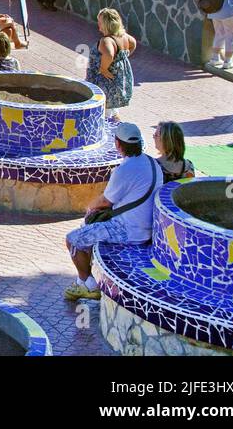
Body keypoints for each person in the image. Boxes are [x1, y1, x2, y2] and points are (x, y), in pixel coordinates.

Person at [63, 122, 160, 301]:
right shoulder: (152, 163)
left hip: (128, 230)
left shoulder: (125, 169)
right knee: (87, 231)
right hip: (146, 228)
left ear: (118, 144)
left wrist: (89, 209)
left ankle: (87, 284)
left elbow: (105, 201)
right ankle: (83, 281)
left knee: (73, 239)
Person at [86, 8, 136, 119]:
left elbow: (109, 54)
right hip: (117, 80)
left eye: (99, 22)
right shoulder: (123, 37)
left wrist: (103, 68)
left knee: (103, 112)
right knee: (113, 109)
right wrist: (123, 57)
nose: (98, 25)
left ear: (106, 24)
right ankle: (115, 124)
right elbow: (133, 43)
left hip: (105, 82)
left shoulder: (107, 40)